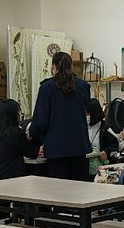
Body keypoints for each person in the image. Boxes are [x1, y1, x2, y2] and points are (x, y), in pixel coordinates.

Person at [29, 51, 92, 181]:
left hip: (56, 147)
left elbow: (40, 121)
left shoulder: (47, 88)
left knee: (59, 188)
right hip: (79, 145)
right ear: (71, 66)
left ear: (53, 66)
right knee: (80, 187)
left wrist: (33, 135)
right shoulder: (83, 86)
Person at [0, 98, 40, 181]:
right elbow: (32, 153)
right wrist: (35, 136)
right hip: (12, 177)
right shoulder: (17, 133)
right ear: (15, 114)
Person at [87, 99, 119, 178]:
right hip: (84, 166)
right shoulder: (82, 127)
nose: (86, 117)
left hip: (101, 167)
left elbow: (117, 145)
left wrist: (106, 152)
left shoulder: (106, 128)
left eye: (88, 114)